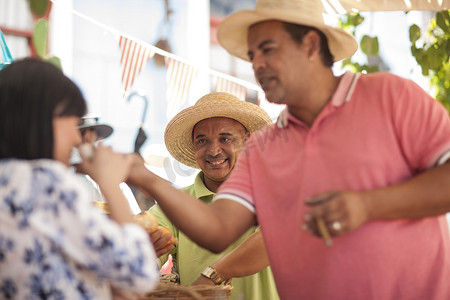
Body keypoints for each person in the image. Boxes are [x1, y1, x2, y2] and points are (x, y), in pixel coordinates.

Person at [125, 0, 450, 299]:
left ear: (310, 44)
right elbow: (218, 229)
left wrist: (367, 206)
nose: (258, 65)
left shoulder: (390, 96)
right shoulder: (264, 147)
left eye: (268, 50)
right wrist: (145, 178)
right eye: (253, 56)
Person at [0, 58, 159, 299]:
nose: (77, 140)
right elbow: (140, 272)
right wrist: (110, 183)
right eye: (74, 125)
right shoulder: (46, 183)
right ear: (43, 120)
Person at [150, 92, 279, 300]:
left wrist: (211, 277)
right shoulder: (175, 204)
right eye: (202, 141)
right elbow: (144, 246)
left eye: (225, 138)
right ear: (194, 146)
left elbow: (272, 240)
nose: (213, 150)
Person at [77, 116, 141, 215]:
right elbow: (136, 221)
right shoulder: (113, 180)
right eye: (96, 138)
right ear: (88, 136)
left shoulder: (58, 173)